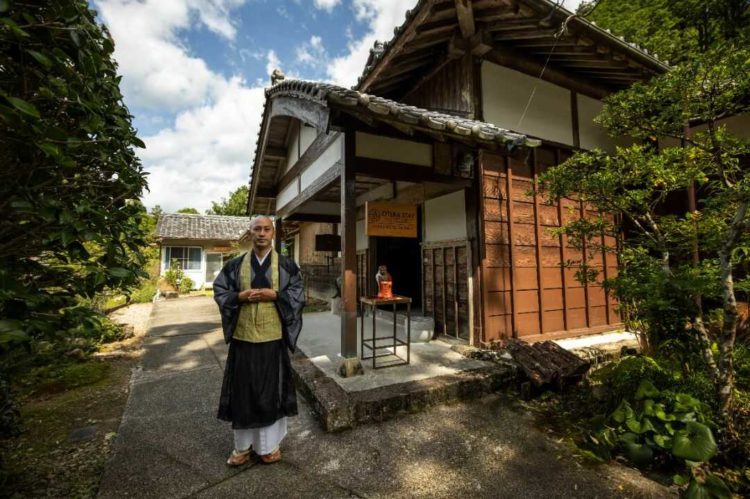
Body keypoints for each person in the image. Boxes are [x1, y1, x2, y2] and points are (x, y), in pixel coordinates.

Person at [213, 215, 304, 466]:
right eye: (257, 229)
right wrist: (240, 296)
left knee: (269, 392)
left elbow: (297, 294)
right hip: (243, 338)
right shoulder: (234, 265)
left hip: (272, 338)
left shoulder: (286, 266)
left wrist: (275, 294)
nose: (262, 233)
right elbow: (220, 290)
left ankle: (269, 447)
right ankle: (241, 448)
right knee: (243, 391)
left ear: (273, 233)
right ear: (250, 233)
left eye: (266, 229)